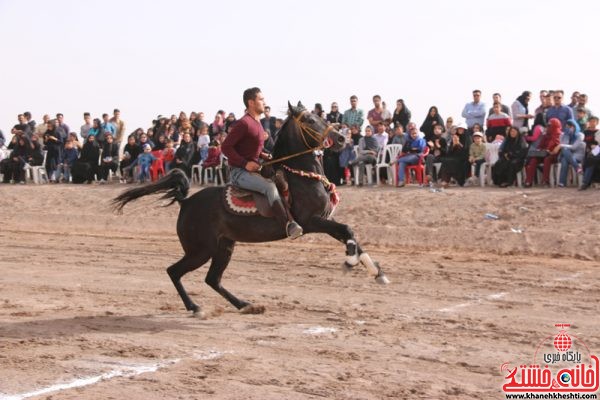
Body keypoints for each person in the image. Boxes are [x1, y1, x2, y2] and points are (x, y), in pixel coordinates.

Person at [221, 87, 303, 239]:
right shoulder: (244, 123)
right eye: (261, 99)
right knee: (269, 187)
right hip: (239, 172)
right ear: (251, 102)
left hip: (254, 168)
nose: (264, 102)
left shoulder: (257, 123)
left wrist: (265, 155)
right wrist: (244, 163)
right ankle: (287, 225)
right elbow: (225, 147)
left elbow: (250, 148)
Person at [524, 118, 562, 187]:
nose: (548, 127)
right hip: (544, 154)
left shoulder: (559, 135)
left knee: (547, 159)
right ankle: (528, 181)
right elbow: (540, 146)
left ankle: (545, 181)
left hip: (554, 155)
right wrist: (541, 150)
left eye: (550, 125)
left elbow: (556, 145)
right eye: (548, 125)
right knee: (533, 160)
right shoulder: (546, 135)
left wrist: (549, 150)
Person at [392, 122, 426, 187]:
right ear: (410, 134)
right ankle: (401, 181)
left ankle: (396, 161)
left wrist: (411, 149)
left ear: (417, 133)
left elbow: (420, 149)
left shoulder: (421, 140)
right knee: (402, 163)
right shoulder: (408, 141)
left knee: (403, 160)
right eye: (412, 134)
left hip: (417, 158)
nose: (414, 135)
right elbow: (404, 150)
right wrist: (411, 149)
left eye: (415, 133)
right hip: (408, 158)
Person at [557, 119, 585, 187]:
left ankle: (562, 182)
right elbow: (564, 145)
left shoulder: (580, 135)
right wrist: (566, 136)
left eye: (571, 127)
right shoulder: (565, 135)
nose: (569, 129)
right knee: (564, 158)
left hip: (578, 154)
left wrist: (562, 145)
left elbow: (574, 147)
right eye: (567, 127)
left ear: (575, 126)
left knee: (565, 154)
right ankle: (577, 168)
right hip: (568, 155)